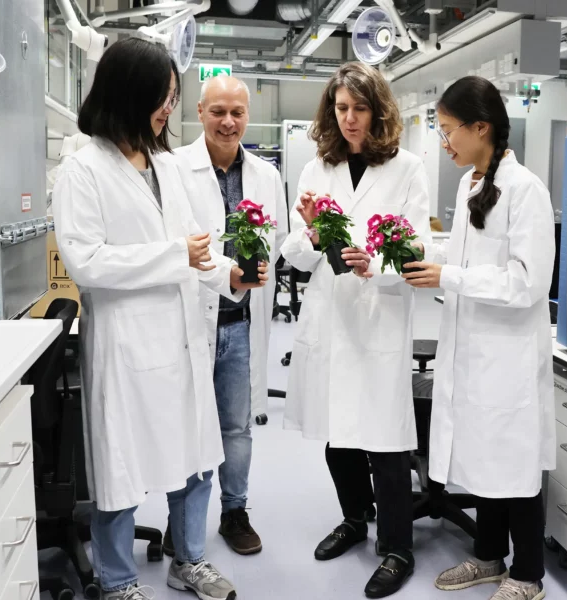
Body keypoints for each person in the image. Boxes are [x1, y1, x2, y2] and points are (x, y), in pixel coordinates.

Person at [52, 38, 266, 600]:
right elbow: (87, 262)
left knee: (195, 457)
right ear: (128, 95)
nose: (167, 109)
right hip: (127, 343)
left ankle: (188, 560)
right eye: (161, 97)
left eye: (172, 97)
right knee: (120, 467)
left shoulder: (166, 166)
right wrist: (178, 257)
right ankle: (118, 579)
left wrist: (230, 277)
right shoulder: (82, 170)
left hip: (183, 338)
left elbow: (200, 244)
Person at [279, 62, 431, 599]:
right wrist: (317, 236)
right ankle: (353, 520)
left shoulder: (409, 167)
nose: (349, 119)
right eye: (341, 108)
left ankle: (398, 548)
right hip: (330, 314)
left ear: (379, 110)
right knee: (335, 434)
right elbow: (292, 252)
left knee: (385, 442)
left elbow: (417, 250)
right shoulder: (317, 168)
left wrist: (377, 265)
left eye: (360, 108)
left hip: (379, 316)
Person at [402, 76, 556, 600]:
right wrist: (435, 262)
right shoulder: (474, 184)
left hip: (507, 357)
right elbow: (470, 262)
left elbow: (528, 281)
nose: (445, 142)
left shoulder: (526, 190)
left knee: (513, 465)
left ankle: (529, 575)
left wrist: (449, 277)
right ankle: (489, 558)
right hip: (474, 351)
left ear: (481, 128)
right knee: (488, 464)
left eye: (449, 131)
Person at [171, 74, 287, 558]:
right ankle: (186, 526)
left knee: (236, 428)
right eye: (218, 111)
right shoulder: (173, 168)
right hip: (189, 322)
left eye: (237, 112)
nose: (228, 121)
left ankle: (234, 513)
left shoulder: (266, 174)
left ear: (247, 116)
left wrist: (256, 268)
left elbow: (276, 239)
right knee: (188, 427)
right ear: (199, 113)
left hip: (239, 323)